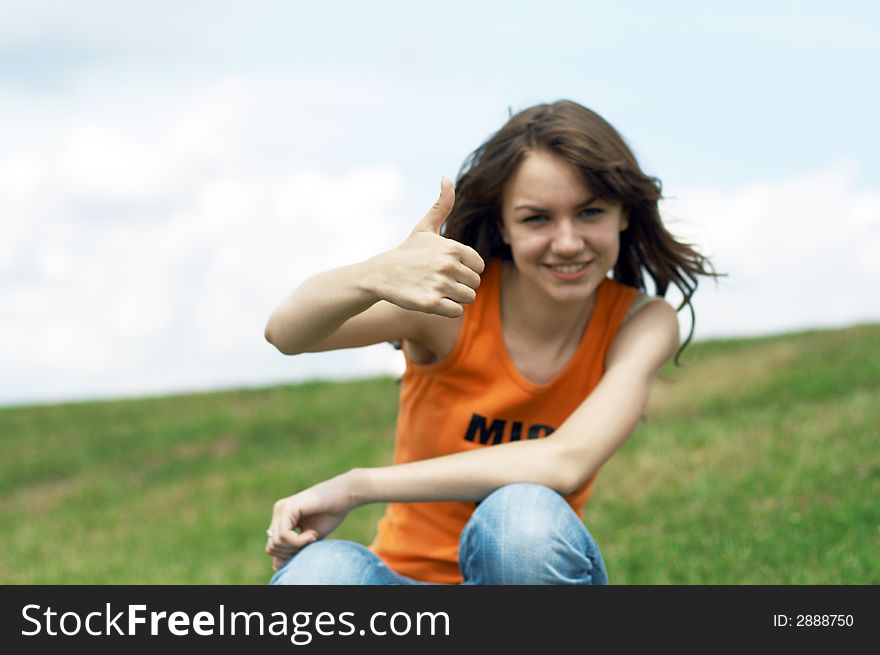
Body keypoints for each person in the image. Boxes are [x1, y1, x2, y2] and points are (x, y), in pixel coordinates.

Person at [263, 99, 717, 585]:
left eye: (589, 212)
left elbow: (565, 461)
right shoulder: (454, 304)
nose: (567, 242)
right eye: (537, 219)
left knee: (520, 516)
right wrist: (374, 274)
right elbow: (287, 334)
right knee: (323, 575)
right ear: (502, 224)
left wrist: (358, 486)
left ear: (624, 214)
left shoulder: (641, 323)